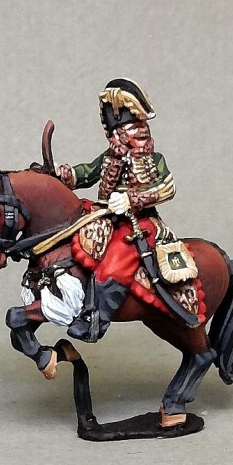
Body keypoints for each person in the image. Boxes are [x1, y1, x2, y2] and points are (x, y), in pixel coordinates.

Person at [56, 79, 182, 340]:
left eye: (134, 128)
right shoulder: (109, 158)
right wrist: (65, 175)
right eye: (122, 130)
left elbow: (167, 187)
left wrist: (131, 200)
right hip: (105, 215)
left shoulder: (154, 161)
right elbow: (87, 173)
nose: (129, 134)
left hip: (140, 222)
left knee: (116, 261)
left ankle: (97, 319)